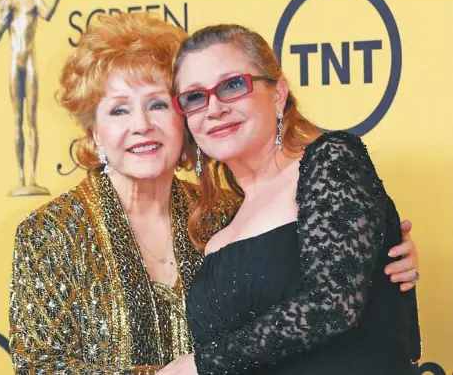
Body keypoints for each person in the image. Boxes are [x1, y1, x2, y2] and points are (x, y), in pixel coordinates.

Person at [8, 13, 420, 374]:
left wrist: (381, 252)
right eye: (118, 110)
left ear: (182, 120)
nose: (141, 125)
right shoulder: (49, 233)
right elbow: (42, 367)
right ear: (95, 132)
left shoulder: (222, 211)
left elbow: (315, 287)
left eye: (157, 105)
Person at [160, 24, 422, 374]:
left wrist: (199, 365)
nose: (214, 107)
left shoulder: (330, 160)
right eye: (195, 97)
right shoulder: (219, 228)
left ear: (278, 93)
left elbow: (333, 305)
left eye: (233, 85)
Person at [0, 0, 62, 196]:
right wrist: (4, 16)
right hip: (15, 62)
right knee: (17, 119)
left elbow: (47, 14)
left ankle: (32, 178)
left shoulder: (34, 0)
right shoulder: (8, 3)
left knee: (31, 119)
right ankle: (21, 178)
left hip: (30, 60)